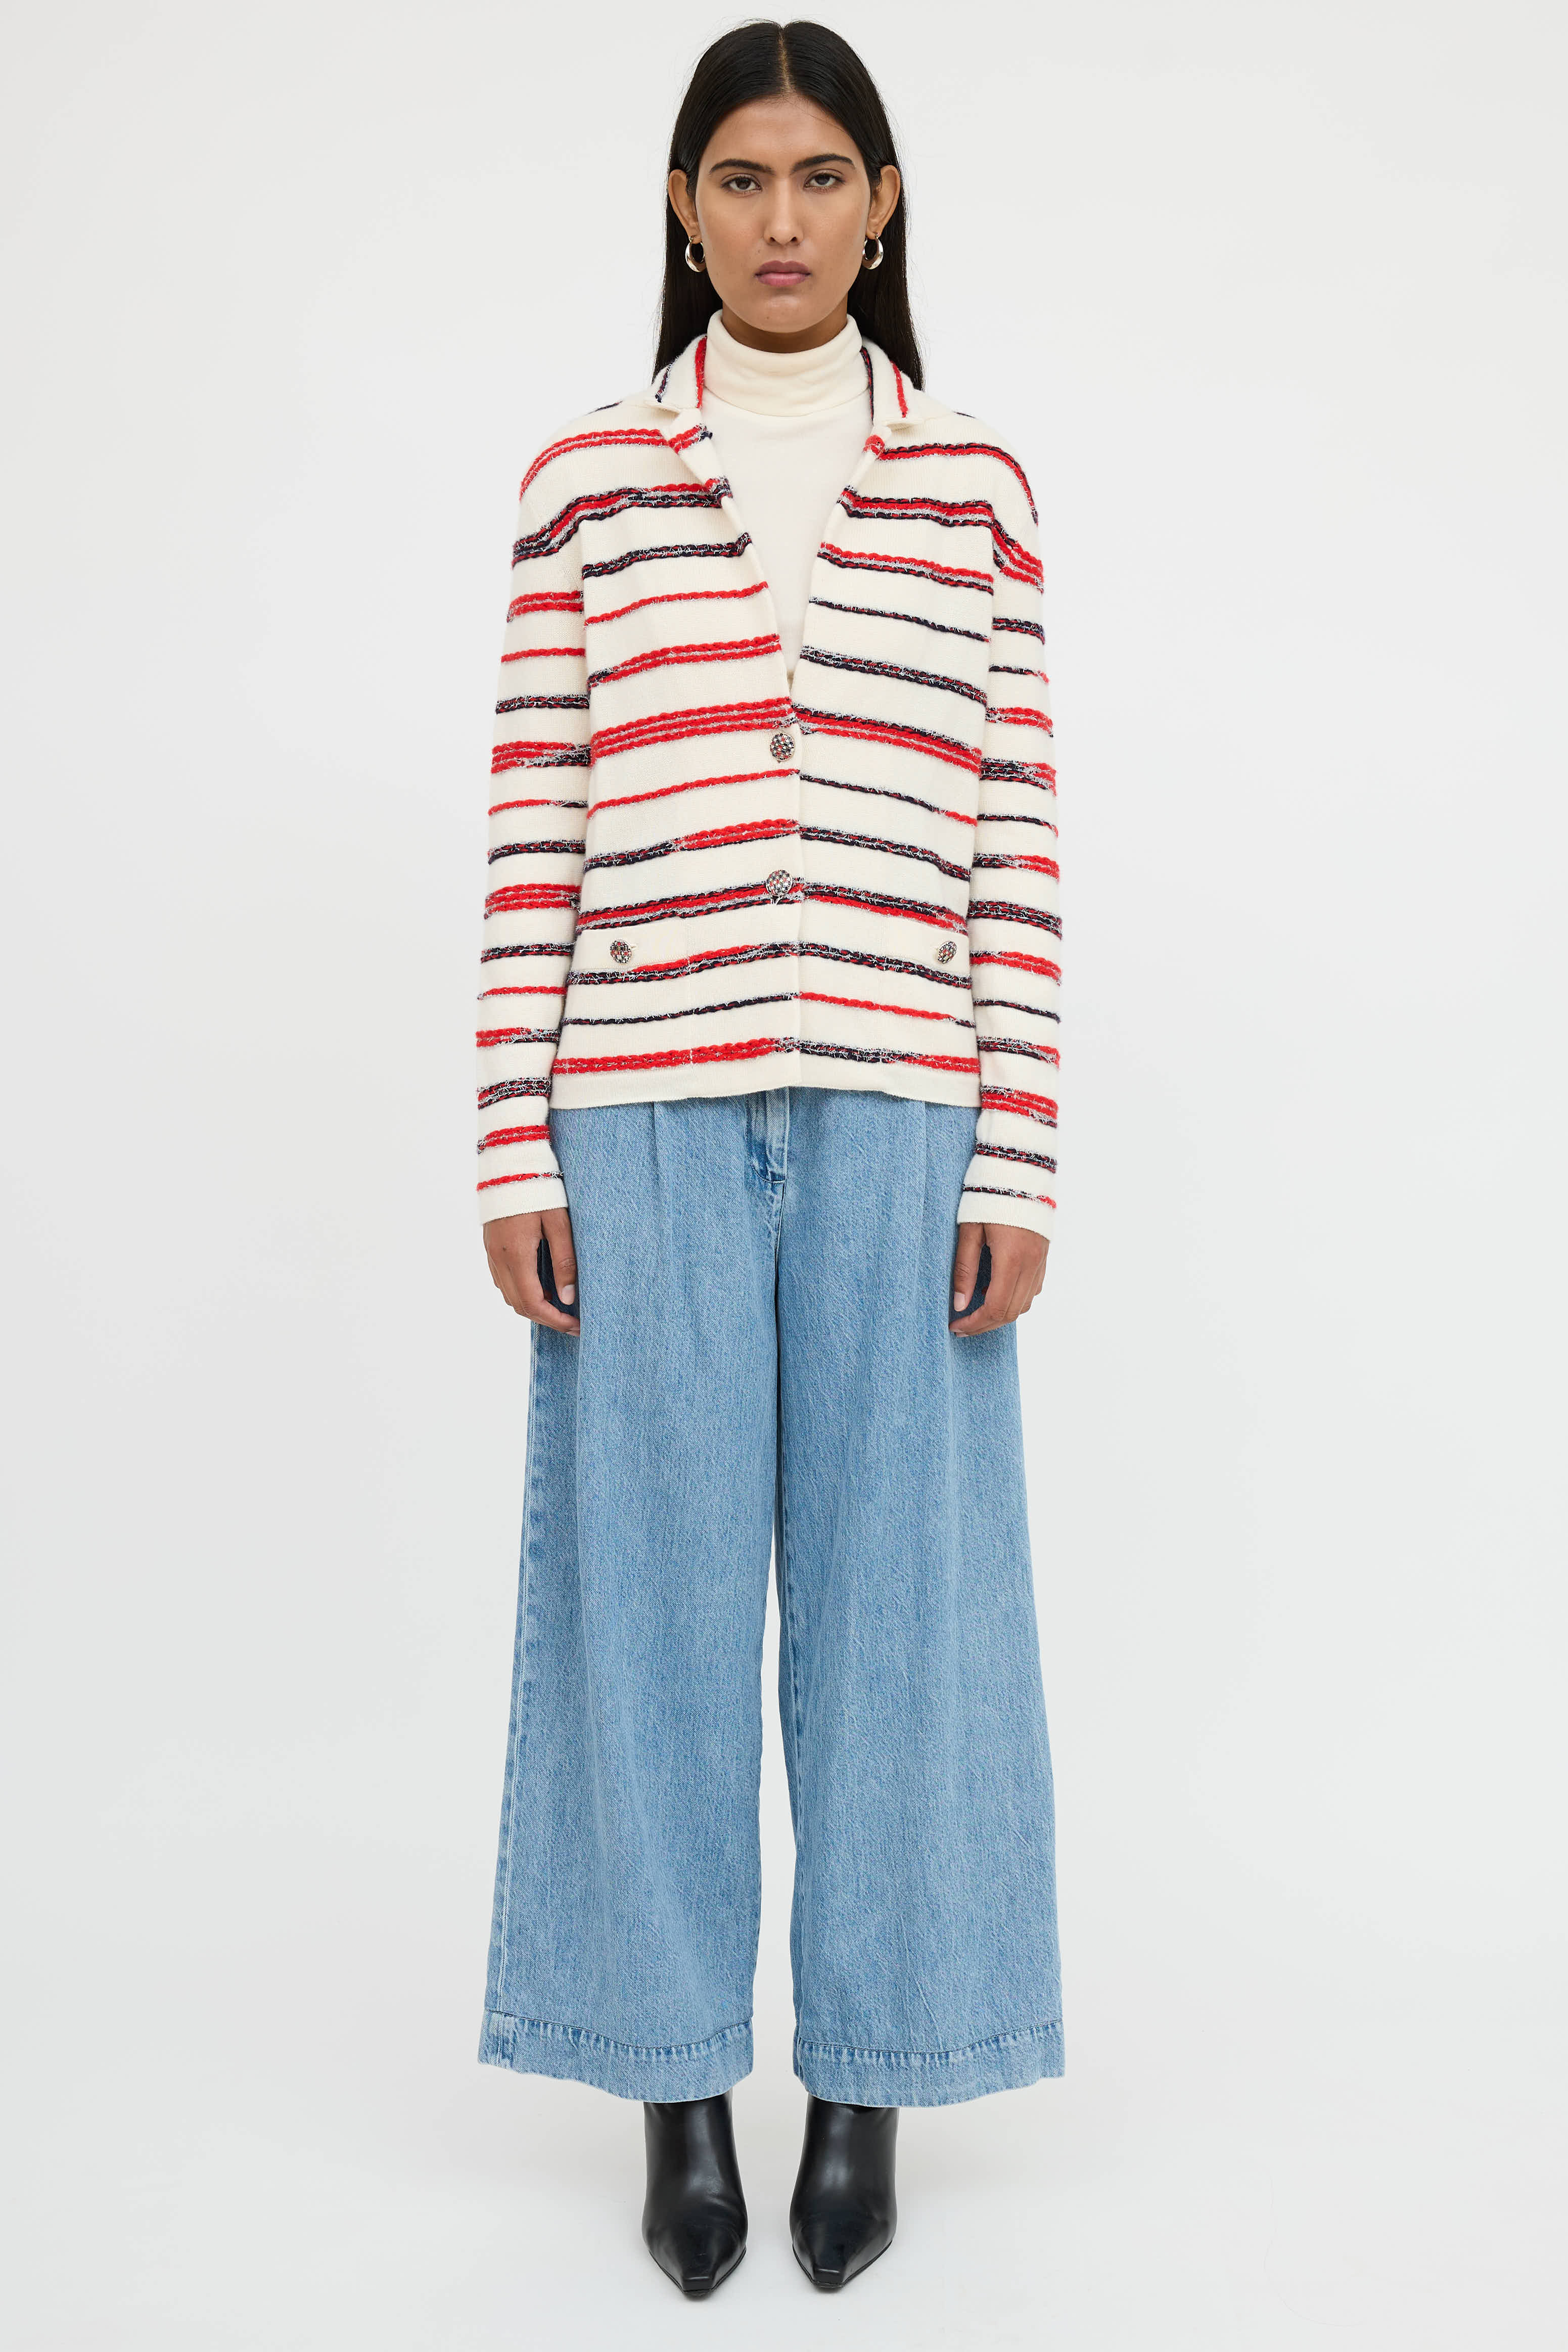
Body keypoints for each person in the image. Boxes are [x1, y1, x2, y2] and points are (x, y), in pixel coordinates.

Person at [474, 18, 1063, 2299]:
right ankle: (670, 2086)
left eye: (823, 177)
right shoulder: (588, 480)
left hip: (908, 1107)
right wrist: (508, 1138)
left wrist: (1017, 1152)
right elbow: (536, 822)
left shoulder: (975, 486)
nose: (783, 218)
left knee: (902, 1615)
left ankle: (873, 2079)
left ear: (881, 204)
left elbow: (1011, 837)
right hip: (635, 1106)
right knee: (642, 1601)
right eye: (742, 178)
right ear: (685, 208)